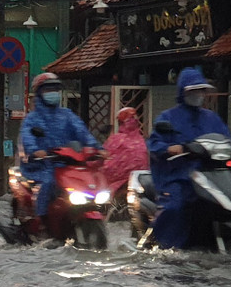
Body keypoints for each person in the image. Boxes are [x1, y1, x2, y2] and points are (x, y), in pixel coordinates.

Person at [147, 67, 231, 249]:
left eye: (201, 90)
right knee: (175, 207)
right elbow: (154, 144)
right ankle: (167, 247)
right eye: (193, 91)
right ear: (183, 91)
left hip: (209, 178)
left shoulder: (212, 118)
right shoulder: (168, 117)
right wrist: (169, 148)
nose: (199, 94)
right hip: (178, 177)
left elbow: (226, 139)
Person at [19, 73, 99, 231]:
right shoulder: (32, 118)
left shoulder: (67, 115)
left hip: (66, 164)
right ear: (40, 93)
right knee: (48, 182)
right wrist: (36, 151)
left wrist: (97, 148)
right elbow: (27, 137)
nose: (52, 93)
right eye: (48, 89)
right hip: (42, 165)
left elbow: (82, 133)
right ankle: (42, 220)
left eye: (55, 89)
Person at [102, 106, 148, 194]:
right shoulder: (141, 140)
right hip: (136, 180)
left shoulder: (115, 139)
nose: (132, 121)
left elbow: (105, 153)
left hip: (129, 180)